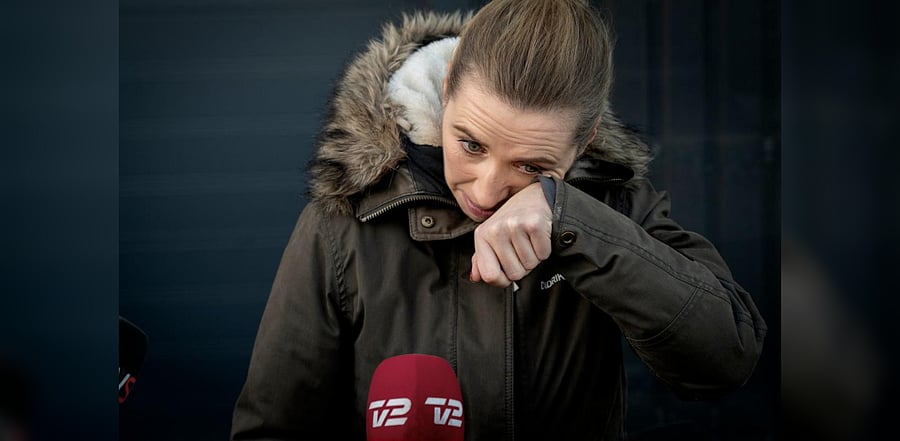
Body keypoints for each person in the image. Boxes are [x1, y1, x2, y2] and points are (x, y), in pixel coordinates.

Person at [231, 1, 767, 440]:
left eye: (531, 166)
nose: (486, 191)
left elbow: (725, 359)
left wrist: (571, 218)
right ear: (445, 94)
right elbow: (270, 429)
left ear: (584, 143)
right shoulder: (346, 218)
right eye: (470, 143)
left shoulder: (616, 205)